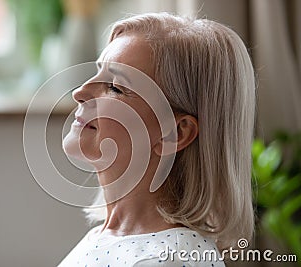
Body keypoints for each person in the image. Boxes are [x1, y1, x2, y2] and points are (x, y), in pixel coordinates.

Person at [59, 12, 255, 266]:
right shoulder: (106, 237)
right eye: (98, 72)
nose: (80, 92)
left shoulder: (168, 259)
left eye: (115, 87)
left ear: (175, 133)